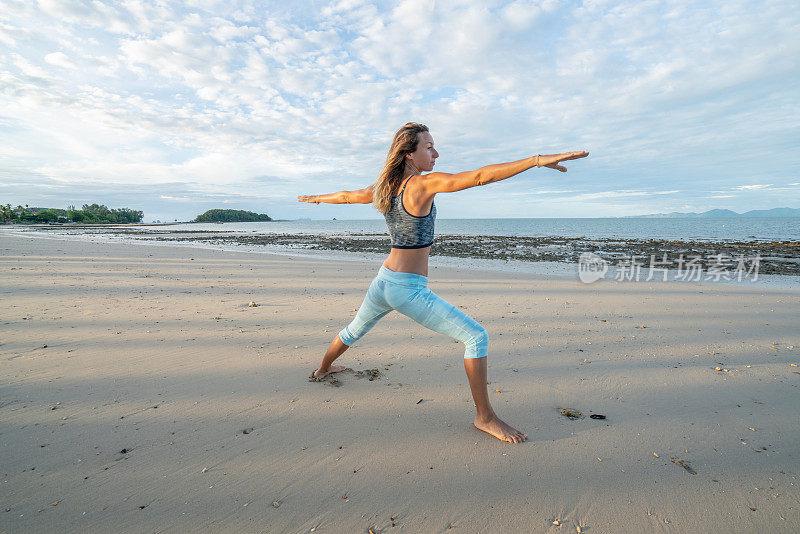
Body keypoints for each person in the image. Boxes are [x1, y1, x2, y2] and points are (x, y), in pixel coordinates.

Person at [297, 122, 588, 443]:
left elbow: (347, 196)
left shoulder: (384, 188)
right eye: (428, 147)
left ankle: (322, 370)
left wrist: (315, 199)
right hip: (406, 289)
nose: (435, 154)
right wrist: (535, 160)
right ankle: (485, 417)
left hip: (383, 281)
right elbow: (479, 177)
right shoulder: (421, 185)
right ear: (409, 154)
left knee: (354, 330)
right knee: (476, 337)